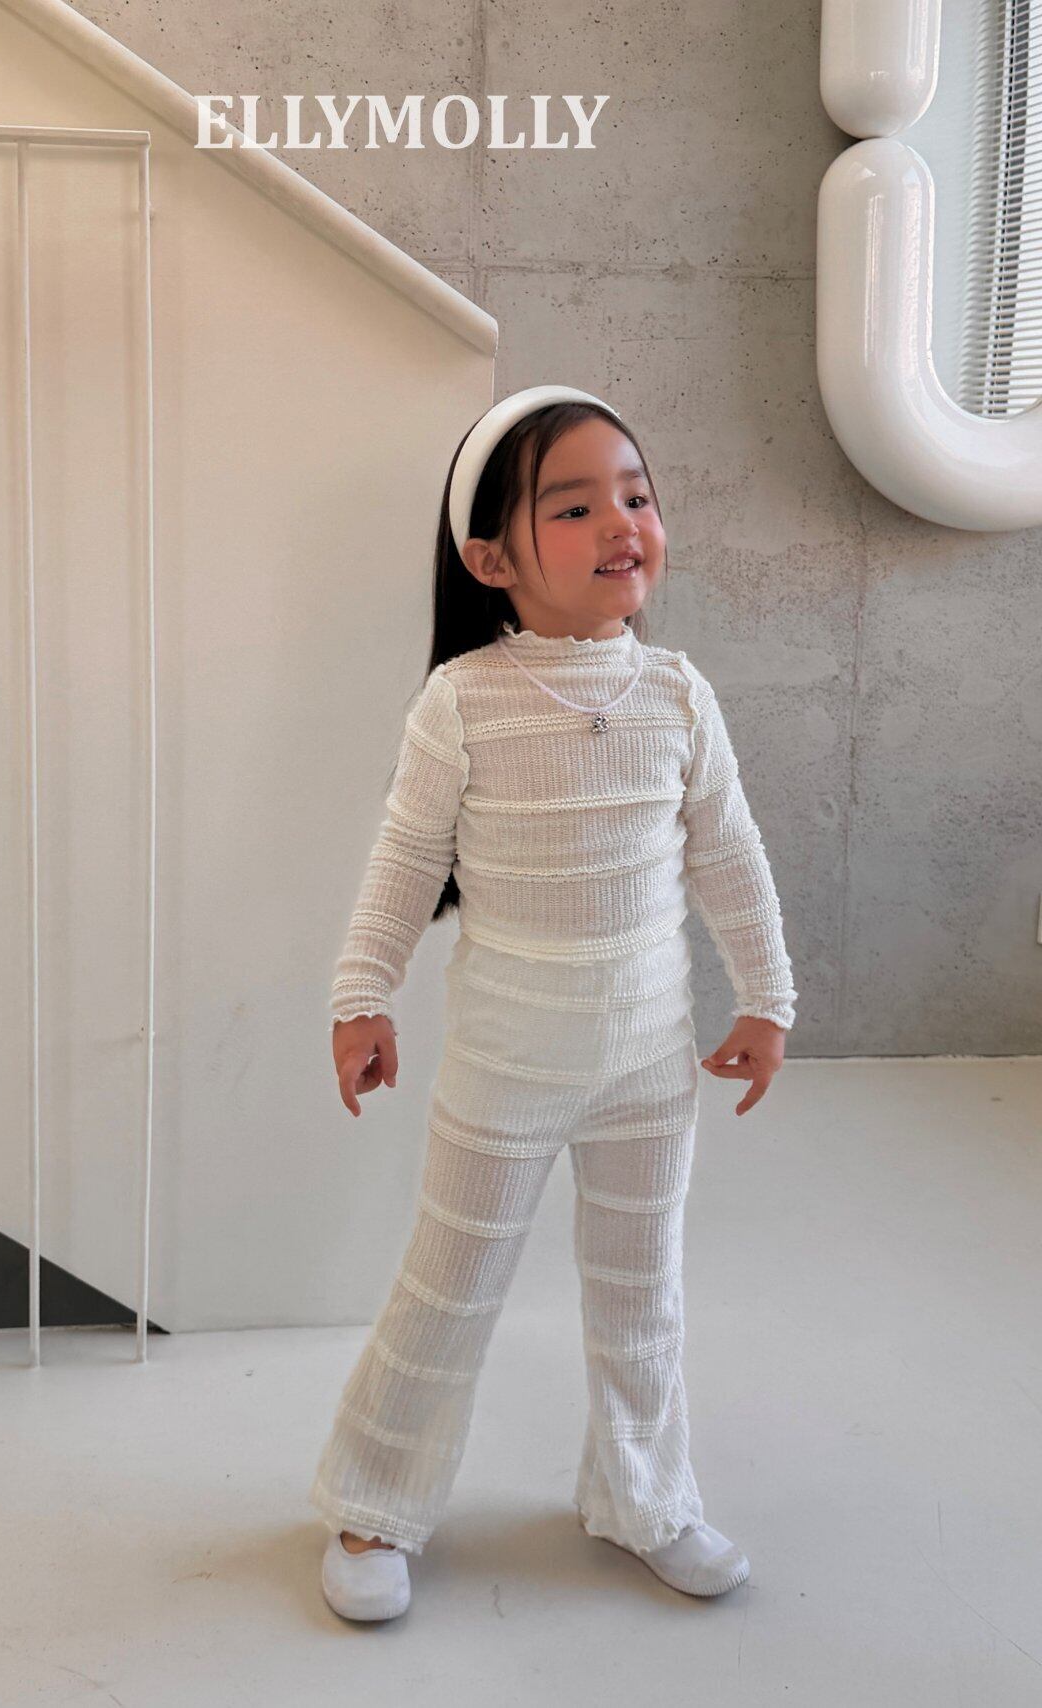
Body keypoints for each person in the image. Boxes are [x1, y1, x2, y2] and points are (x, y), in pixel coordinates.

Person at [310, 384, 797, 1621]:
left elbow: (728, 853)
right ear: (492, 559)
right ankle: (374, 1502)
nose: (621, 523)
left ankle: (645, 1495)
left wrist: (766, 996)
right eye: (573, 507)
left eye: (635, 495)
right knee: (447, 1289)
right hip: (503, 1072)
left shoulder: (677, 694)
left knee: (642, 1296)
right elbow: (404, 859)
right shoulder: (463, 701)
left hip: (647, 1068)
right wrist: (362, 994)